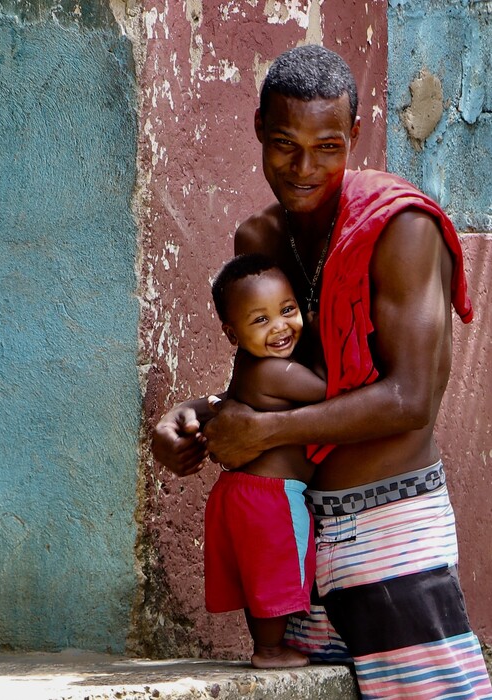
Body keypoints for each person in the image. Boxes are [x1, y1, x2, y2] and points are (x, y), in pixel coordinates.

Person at [152, 44, 492, 699]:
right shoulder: (260, 242)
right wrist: (198, 413)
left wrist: (262, 435)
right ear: (258, 128)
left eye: (328, 147)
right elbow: (274, 381)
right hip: (297, 544)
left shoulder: (402, 230)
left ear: (355, 138)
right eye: (284, 144)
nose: (305, 168)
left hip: (390, 533)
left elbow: (411, 398)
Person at [205, 253, 326, 669]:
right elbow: (332, 394)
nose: (280, 327)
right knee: (278, 569)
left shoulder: (246, 364)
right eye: (260, 320)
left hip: (238, 491)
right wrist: (322, 332)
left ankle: (266, 645)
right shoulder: (277, 372)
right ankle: (271, 651)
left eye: (288, 310)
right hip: (271, 496)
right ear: (231, 332)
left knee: (258, 572)